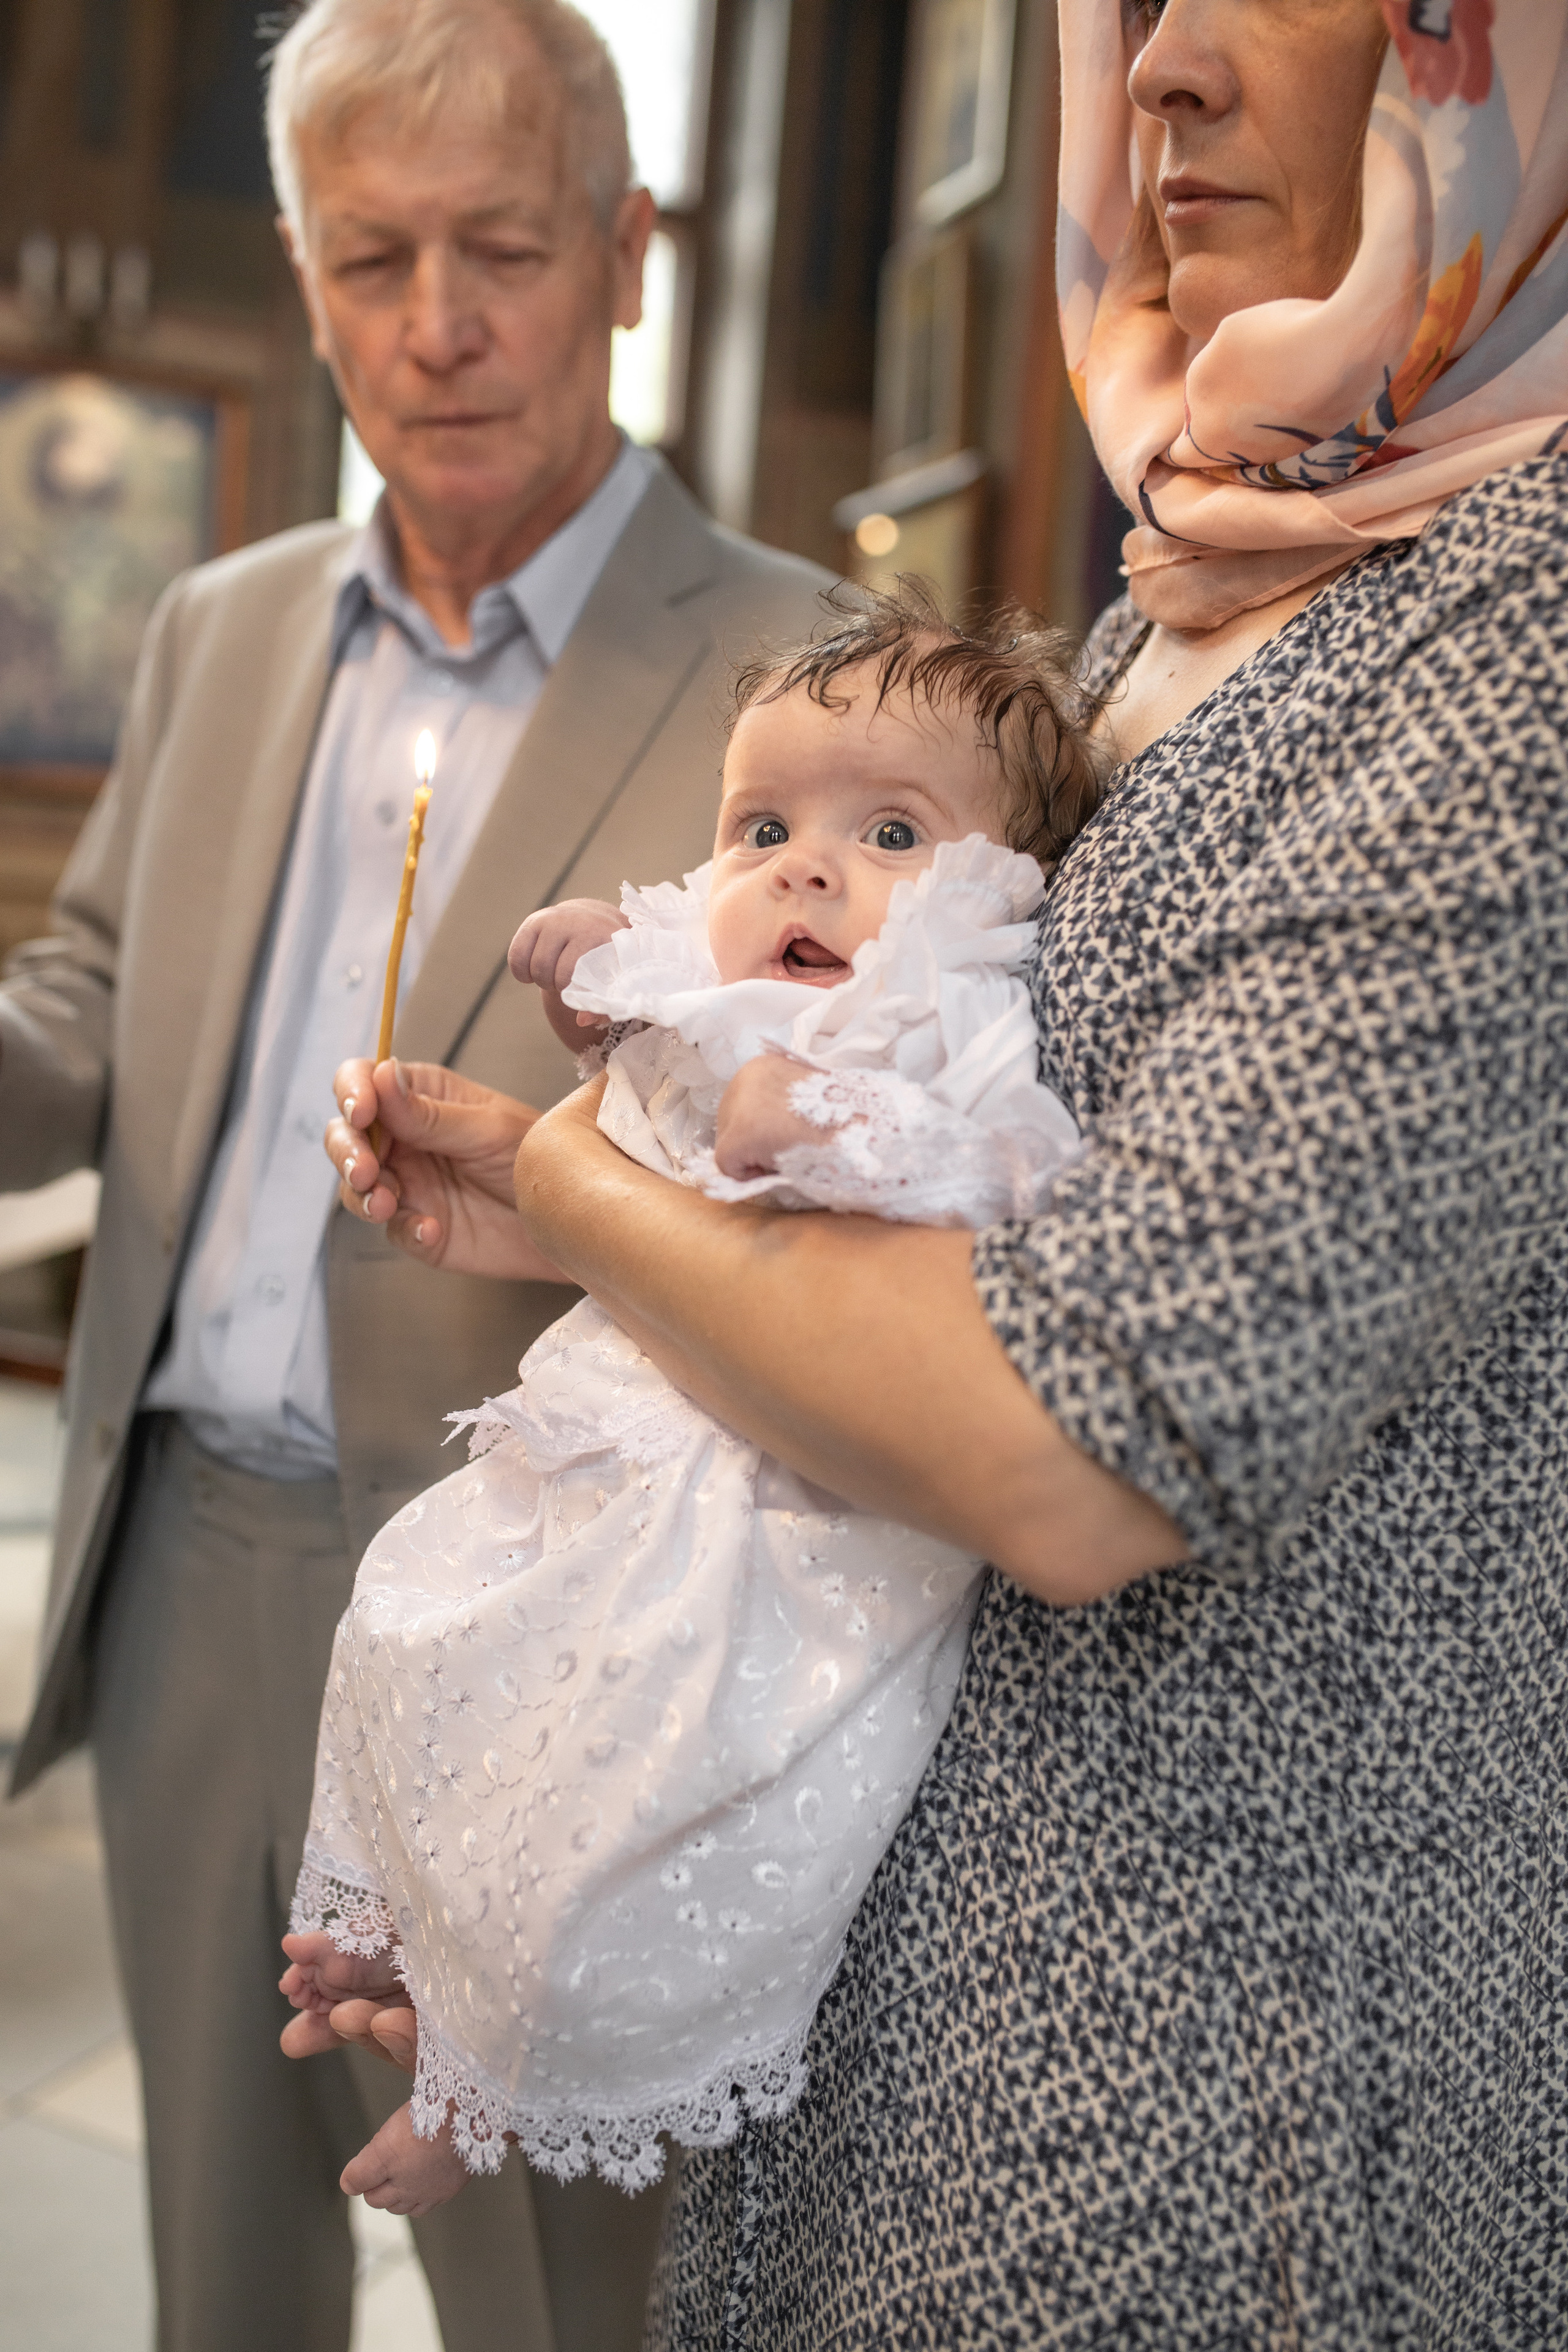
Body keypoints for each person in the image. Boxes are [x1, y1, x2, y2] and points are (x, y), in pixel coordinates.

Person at [312, 0, 1568, 2337]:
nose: (1163, 76)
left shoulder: (1521, 638)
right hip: (925, 2022)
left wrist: (592, 1186)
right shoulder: (1209, 568)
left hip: (1202, 2082)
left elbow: (1085, 1436)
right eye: (1131, 10)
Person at [0, 0, 824, 2345]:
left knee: (556, 2295)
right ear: (299, 267)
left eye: (504, 248)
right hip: (186, 1569)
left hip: (556, 1630)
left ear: (631, 253)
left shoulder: (805, 678)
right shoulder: (216, 624)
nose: (437, 327)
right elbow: (83, 1007)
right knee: (217, 2274)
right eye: (372, 259)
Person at [279, 588, 1096, 2214]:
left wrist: (817, 1114)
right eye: (766, 823)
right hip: (617, 1451)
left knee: (625, 1788)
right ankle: (382, 1907)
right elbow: (637, 1061)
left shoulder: (956, 1028)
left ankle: (492, 2075)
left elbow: (995, 1182)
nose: (804, 865)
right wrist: (596, 968)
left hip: (778, 1516)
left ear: (1007, 890)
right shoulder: (740, 982)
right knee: (414, 1615)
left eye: (889, 833)